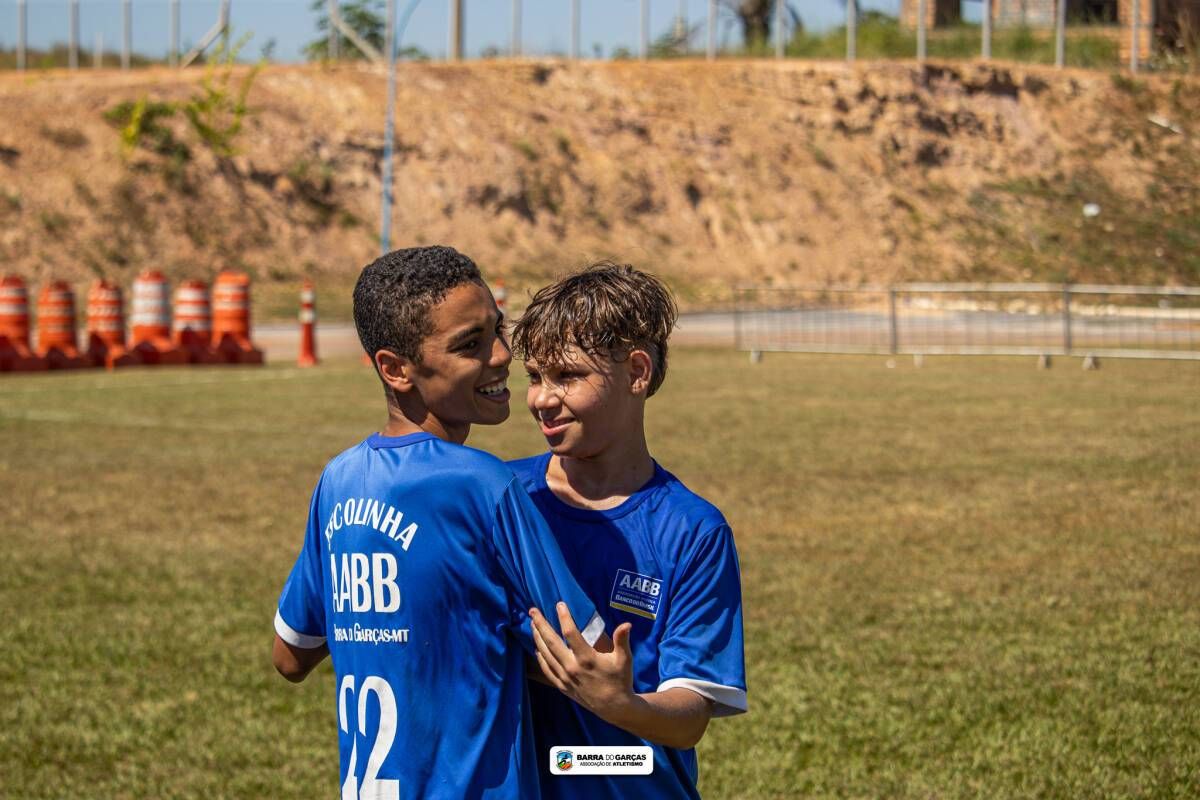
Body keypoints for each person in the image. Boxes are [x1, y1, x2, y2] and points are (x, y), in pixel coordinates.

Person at [270, 246, 606, 800]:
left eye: (499, 331)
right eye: (469, 345)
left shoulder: (339, 480)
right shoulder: (482, 483)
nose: (501, 356)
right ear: (396, 368)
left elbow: (290, 655)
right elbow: (588, 659)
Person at [509, 263, 748, 799]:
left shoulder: (693, 531)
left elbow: (690, 716)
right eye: (534, 376)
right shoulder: (501, 497)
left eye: (567, 376)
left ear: (637, 372)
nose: (542, 399)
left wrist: (620, 703)